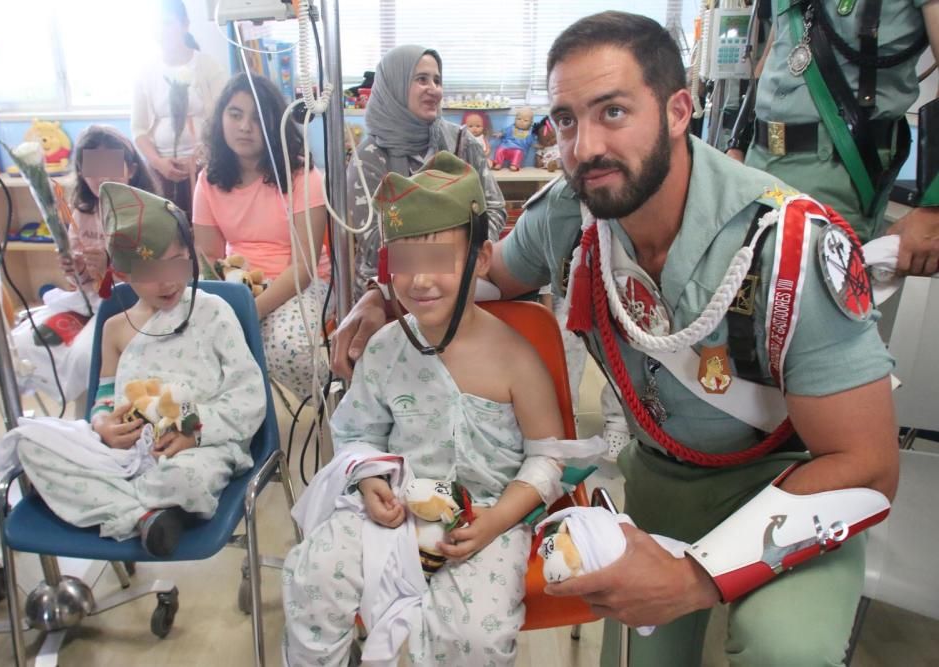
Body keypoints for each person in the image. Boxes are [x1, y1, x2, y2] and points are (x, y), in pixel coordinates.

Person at [332, 12, 899, 667]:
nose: (585, 145)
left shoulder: (789, 246)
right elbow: (482, 279)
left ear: (679, 110)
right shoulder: (569, 216)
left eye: (614, 112)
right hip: (659, 481)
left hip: (792, 477)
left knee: (785, 649)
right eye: (567, 120)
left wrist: (697, 577)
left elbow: (869, 464)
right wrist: (382, 296)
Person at [283, 152, 570, 666]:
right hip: (395, 510)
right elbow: (358, 433)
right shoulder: (388, 347)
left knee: (473, 637)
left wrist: (495, 520)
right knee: (316, 574)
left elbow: (548, 458)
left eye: (439, 261)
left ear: (481, 259)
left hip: (486, 517)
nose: (420, 281)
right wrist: (370, 479)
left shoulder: (516, 358)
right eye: (405, 263)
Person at [0, 182, 265, 556]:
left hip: (194, 447)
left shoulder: (214, 312)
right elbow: (104, 399)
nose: (168, 279)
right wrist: (104, 425)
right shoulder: (115, 329)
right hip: (123, 453)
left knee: (187, 479)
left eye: (176, 262)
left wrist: (194, 432)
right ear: (122, 274)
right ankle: (143, 517)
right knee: (29, 444)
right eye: (151, 269)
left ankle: (121, 509)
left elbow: (249, 396)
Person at [726, 0, 939, 274]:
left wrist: (933, 211)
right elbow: (776, 54)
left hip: (836, 172)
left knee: (807, 306)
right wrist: (738, 145)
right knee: (737, 300)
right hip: (755, 169)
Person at [193, 73, 330, 401]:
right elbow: (208, 258)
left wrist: (250, 311)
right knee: (197, 348)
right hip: (237, 282)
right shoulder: (208, 181)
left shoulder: (302, 175)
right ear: (220, 119)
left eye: (257, 118)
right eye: (235, 114)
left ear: (274, 124)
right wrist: (233, 302)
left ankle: (313, 414)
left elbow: (304, 267)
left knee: (291, 348)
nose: (244, 127)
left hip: (299, 283)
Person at [12, 125, 159, 403]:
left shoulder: (148, 212)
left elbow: (162, 273)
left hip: (134, 304)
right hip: (90, 303)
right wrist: (77, 269)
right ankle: (83, 414)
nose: (102, 175)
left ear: (132, 168)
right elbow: (80, 282)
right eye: (92, 167)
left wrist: (113, 264)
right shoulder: (83, 213)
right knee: (24, 342)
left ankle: (97, 412)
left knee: (85, 355)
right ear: (80, 171)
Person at [347, 44, 507, 298]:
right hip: (385, 289)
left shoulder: (462, 143)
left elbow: (494, 208)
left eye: (437, 80)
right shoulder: (368, 158)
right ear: (395, 87)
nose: (434, 90)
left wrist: (463, 259)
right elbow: (375, 246)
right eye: (421, 79)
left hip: (459, 279)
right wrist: (452, 257)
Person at [132, 0, 226, 217]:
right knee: (167, 234)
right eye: (156, 25)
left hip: (207, 167)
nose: (161, 31)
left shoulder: (208, 66)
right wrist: (159, 163)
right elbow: (139, 130)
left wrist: (205, 156)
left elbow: (224, 119)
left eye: (167, 24)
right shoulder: (146, 73)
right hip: (162, 172)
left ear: (185, 25)